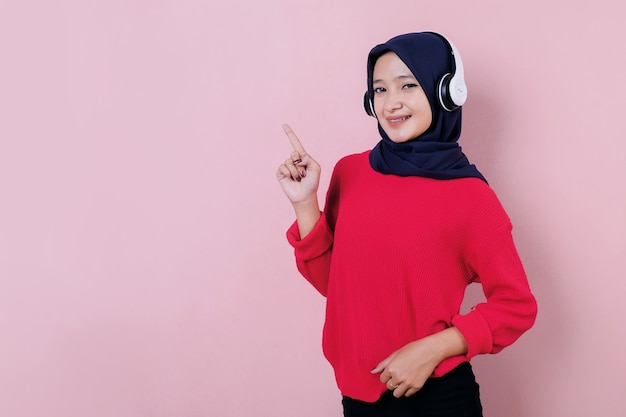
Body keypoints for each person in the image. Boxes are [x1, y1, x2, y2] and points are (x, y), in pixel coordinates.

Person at [276, 31, 537, 417]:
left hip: (438, 398)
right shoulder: (351, 172)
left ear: (446, 92)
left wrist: (432, 349)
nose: (391, 103)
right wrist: (305, 205)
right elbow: (337, 285)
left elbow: (517, 306)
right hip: (358, 398)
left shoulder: (470, 195)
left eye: (408, 85)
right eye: (379, 90)